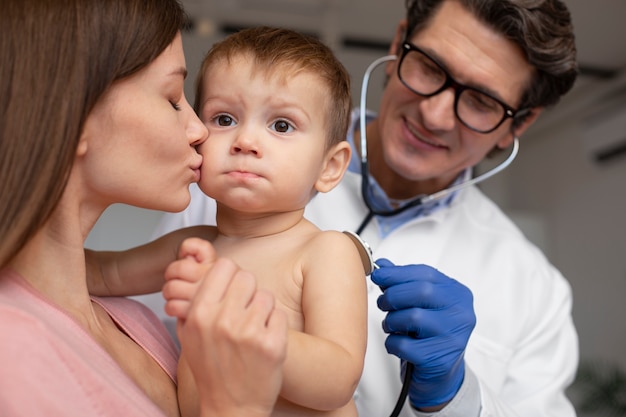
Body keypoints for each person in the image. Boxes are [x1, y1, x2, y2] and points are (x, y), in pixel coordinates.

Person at [154, 0, 580, 416]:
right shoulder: (228, 174)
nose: (434, 115)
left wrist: (458, 395)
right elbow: (151, 339)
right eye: (430, 68)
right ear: (397, 48)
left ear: (518, 124)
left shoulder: (535, 288)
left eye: (480, 102)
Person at [0, 1, 288, 416]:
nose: (198, 131)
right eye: (173, 99)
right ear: (76, 117)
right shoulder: (13, 351)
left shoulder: (136, 322)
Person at [86, 27, 368, 417]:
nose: (246, 140)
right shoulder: (193, 247)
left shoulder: (325, 251)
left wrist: (248, 330)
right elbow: (101, 274)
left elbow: (338, 378)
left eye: (281, 125)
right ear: (197, 135)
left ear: (330, 166)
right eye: (224, 118)